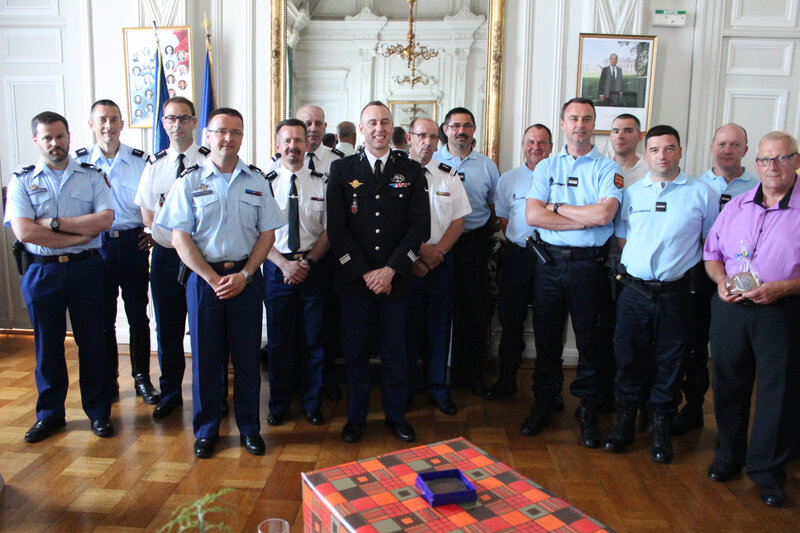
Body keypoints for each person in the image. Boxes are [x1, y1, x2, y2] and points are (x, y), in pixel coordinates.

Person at [157, 107, 285, 458]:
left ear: (243, 137)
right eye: (221, 131)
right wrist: (213, 279)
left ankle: (249, 428)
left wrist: (244, 276)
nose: (229, 138)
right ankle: (207, 430)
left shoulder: (258, 180)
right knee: (206, 359)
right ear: (208, 136)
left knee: (246, 359)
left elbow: (268, 234)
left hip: (246, 279)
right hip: (204, 281)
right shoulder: (189, 181)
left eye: (236, 132)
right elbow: (180, 238)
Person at [603, 125, 718, 464]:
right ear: (646, 153)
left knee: (671, 362)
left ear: (680, 152)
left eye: (669, 149)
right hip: (634, 291)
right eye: (655, 150)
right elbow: (623, 239)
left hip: (677, 294)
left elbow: (710, 243)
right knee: (628, 358)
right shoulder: (633, 193)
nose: (662, 156)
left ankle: (661, 427)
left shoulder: (702, 193)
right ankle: (625, 423)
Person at [703, 131, 800, 508]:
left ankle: (768, 472)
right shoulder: (737, 206)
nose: (771, 167)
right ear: (755, 164)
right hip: (731, 309)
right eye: (764, 160)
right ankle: (729, 455)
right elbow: (712, 254)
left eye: (780, 158)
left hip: (781, 310)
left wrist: (783, 288)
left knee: (778, 393)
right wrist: (722, 281)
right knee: (727, 384)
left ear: (795, 161)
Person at [5, 111, 115, 441]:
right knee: (47, 345)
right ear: (37, 141)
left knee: (93, 343)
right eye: (48, 138)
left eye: (60, 136)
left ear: (70, 136)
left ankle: (98, 413)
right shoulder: (22, 180)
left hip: (86, 269)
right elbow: (24, 231)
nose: (55, 143)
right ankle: (50, 414)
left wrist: (50, 224)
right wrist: (78, 232)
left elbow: (106, 219)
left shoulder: (92, 175)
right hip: (42, 271)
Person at [326, 100, 429, 443]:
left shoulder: (411, 172)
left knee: (396, 352)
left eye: (385, 122)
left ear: (392, 127)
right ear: (361, 129)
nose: (379, 129)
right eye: (372, 123)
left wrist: (389, 271)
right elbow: (336, 229)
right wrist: (365, 273)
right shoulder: (342, 171)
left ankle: (395, 416)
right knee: (355, 353)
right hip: (355, 283)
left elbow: (419, 229)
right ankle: (355, 418)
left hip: (396, 281)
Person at [524, 97, 623, 447]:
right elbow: (533, 217)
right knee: (547, 339)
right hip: (548, 264)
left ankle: (588, 411)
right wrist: (579, 217)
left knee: (591, 342)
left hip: (588, 267)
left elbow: (603, 217)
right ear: (563, 124)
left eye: (586, 119)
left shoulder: (608, 169)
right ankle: (544, 401)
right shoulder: (545, 167)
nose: (579, 125)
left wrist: (555, 206)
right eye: (573, 119)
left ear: (593, 125)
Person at [672, 123, 759, 435]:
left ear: (746, 151)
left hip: (742, 279)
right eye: (722, 144)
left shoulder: (758, 188)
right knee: (693, 344)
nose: (728, 150)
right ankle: (692, 407)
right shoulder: (695, 186)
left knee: (734, 350)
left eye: (735, 145)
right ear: (712, 148)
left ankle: (736, 422)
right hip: (699, 273)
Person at [74, 99, 157, 404]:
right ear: (92, 124)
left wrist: (154, 234)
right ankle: (109, 380)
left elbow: (159, 200)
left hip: (133, 244)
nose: (108, 125)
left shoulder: (141, 161)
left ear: (123, 124)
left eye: (114, 119)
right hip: (96, 246)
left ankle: (142, 379)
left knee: (138, 316)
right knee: (102, 319)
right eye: (102, 120)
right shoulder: (78, 162)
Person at [135, 97, 209, 419]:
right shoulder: (155, 164)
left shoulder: (211, 162)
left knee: (206, 329)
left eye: (183, 118)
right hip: (166, 258)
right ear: (163, 123)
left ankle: (211, 394)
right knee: (168, 329)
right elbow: (148, 213)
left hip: (203, 259)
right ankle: (170, 393)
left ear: (194, 122)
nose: (176, 125)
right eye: (170, 119)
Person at [263, 119, 330, 427]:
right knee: (279, 341)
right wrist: (285, 264)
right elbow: (256, 232)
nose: (293, 146)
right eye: (286, 141)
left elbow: (330, 231)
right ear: (278, 145)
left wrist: (307, 264)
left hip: (313, 267)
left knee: (315, 339)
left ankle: (312, 402)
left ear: (307, 144)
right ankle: (279, 404)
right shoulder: (263, 182)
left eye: (298, 140)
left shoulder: (323, 182)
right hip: (277, 268)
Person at [404, 117, 471, 415]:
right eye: (422, 136)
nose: (428, 142)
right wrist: (419, 253)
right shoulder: (394, 174)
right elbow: (391, 223)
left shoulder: (449, 175)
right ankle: (403, 389)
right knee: (404, 330)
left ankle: (437, 387)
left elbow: (458, 222)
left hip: (441, 263)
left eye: (433, 137)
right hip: (404, 262)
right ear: (409, 138)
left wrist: (436, 254)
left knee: (439, 328)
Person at [432, 107, 500, 395]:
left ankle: (471, 374)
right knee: (437, 310)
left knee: (474, 311)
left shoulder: (487, 166)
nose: (462, 131)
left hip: (473, 244)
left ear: (474, 130)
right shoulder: (432, 162)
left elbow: (496, 207)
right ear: (445, 129)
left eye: (467, 126)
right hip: (438, 247)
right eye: (455, 125)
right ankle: (434, 375)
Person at [486, 124, 553, 400]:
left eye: (541, 142)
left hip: (550, 258)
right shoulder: (508, 179)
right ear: (523, 144)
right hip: (518, 255)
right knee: (511, 317)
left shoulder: (559, 176)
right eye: (530, 141)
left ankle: (547, 388)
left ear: (550, 146)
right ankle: (507, 378)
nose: (535, 147)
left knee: (549, 322)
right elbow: (503, 218)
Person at [609, 114, 647, 186]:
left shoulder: (650, 172)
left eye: (628, 131)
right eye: (616, 131)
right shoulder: (601, 169)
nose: (620, 136)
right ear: (610, 136)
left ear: (639, 137)